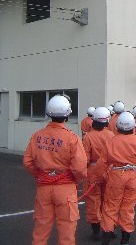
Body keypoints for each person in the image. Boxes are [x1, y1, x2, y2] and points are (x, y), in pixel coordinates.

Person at [23, 95, 87, 245]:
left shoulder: (37, 136)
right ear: (68, 114)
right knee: (66, 232)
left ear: (48, 114)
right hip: (65, 188)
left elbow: (27, 161)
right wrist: (75, 180)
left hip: (43, 188)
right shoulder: (72, 138)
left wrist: (41, 175)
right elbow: (80, 167)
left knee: (40, 230)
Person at [91, 112, 136, 245]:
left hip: (116, 175)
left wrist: (97, 177)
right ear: (133, 127)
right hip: (133, 176)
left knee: (110, 208)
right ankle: (125, 241)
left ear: (117, 127)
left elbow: (102, 163)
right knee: (128, 209)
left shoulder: (112, 141)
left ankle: (106, 239)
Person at [82, 107, 115, 240]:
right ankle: (110, 229)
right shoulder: (112, 135)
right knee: (110, 200)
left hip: (93, 171)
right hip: (110, 170)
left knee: (93, 200)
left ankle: (96, 232)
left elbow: (85, 159)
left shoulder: (88, 137)